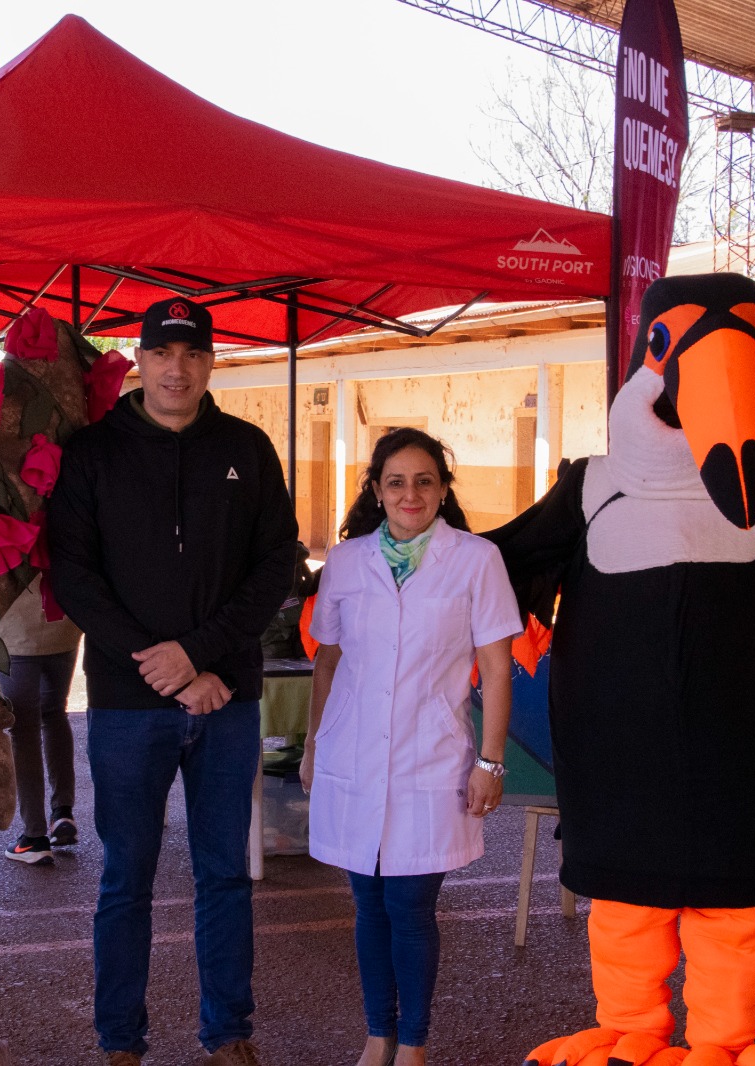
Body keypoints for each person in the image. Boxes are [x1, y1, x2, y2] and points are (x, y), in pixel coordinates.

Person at [49, 295, 299, 1066]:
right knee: (126, 878)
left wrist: (202, 659)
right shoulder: (92, 453)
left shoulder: (249, 449)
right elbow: (75, 576)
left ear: (211, 362)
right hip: (129, 704)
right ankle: (120, 1041)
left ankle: (229, 1033)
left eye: (192, 354)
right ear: (141, 359)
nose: (177, 368)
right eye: (163, 353)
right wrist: (164, 665)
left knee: (224, 874)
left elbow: (273, 568)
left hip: (226, 698)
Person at [299, 428, 522, 1066]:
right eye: (395, 481)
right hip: (352, 755)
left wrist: (490, 760)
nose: (411, 493)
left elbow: (497, 667)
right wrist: (314, 745)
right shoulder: (345, 562)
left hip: (432, 757)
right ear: (376, 491)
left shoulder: (477, 560)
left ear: (444, 490)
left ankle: (415, 1043)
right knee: (368, 903)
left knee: (411, 903)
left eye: (425, 480)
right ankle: (378, 1035)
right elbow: (327, 660)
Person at [0, 574, 83, 865]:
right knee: (55, 712)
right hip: (63, 623)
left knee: (23, 729)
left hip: (15, 630)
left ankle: (34, 836)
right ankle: (62, 813)